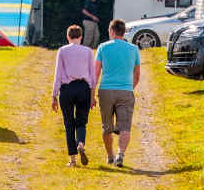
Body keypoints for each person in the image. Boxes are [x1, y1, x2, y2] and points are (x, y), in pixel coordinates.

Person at [93, 19, 140, 167]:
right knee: (125, 126)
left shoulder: (102, 47)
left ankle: (110, 156)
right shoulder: (133, 49)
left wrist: (91, 94)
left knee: (107, 127)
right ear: (123, 32)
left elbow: (95, 73)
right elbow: (137, 74)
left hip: (106, 91)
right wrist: (129, 87)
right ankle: (120, 154)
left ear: (111, 31)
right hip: (125, 91)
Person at [51, 24, 96, 167]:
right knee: (81, 121)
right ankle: (80, 143)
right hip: (83, 88)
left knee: (69, 123)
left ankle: (72, 159)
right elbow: (92, 76)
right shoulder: (88, 51)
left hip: (67, 89)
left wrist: (54, 95)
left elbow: (58, 74)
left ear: (68, 37)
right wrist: (92, 96)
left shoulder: (62, 51)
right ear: (81, 37)